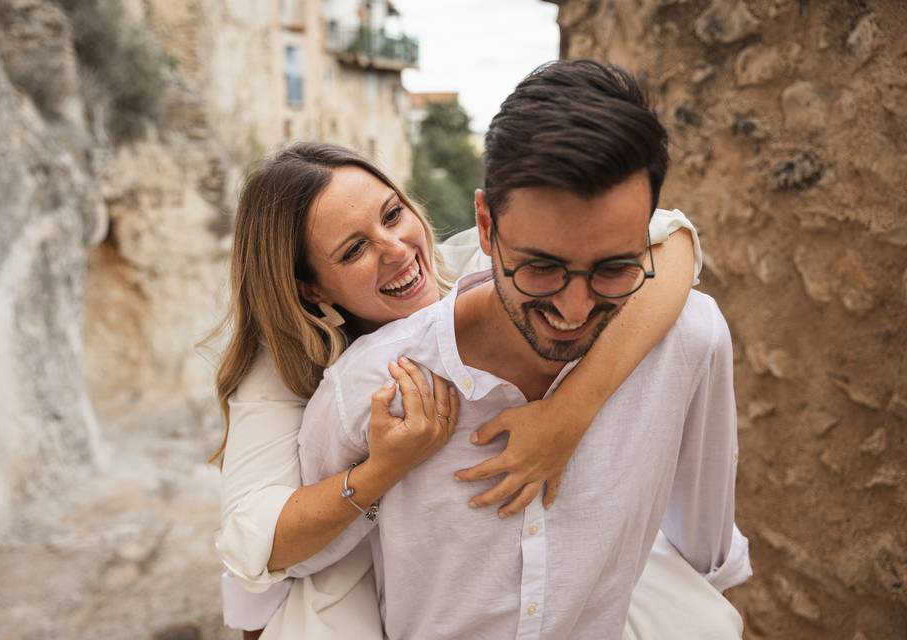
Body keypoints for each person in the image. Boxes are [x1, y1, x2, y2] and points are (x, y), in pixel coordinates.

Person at [291, 60, 751, 639]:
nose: (575, 310)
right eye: (541, 268)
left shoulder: (690, 338)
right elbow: (303, 570)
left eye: (614, 268)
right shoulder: (367, 387)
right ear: (485, 226)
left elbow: (707, 554)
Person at [213, 151, 718, 636]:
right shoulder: (279, 369)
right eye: (354, 250)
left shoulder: (474, 266)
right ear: (312, 290)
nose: (395, 249)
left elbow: (673, 241)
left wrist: (567, 414)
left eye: (392, 214)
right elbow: (257, 551)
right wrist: (383, 469)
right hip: (356, 592)